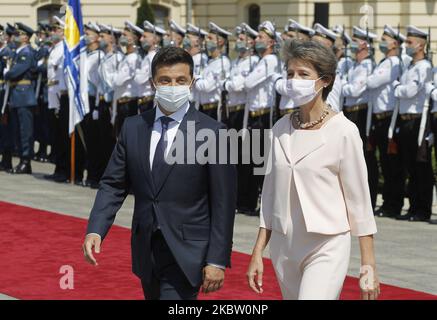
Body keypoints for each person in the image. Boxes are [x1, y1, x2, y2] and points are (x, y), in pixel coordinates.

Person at [83, 47, 237, 300]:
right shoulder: (133, 127)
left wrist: (217, 260)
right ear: (153, 83)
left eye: (181, 81)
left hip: (188, 252)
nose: (172, 86)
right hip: (146, 251)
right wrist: (95, 229)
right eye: (165, 80)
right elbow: (113, 184)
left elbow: (223, 203)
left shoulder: (214, 133)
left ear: (192, 83)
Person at [247, 40, 379, 300]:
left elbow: (360, 202)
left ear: (325, 81)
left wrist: (368, 265)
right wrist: (257, 251)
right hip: (285, 247)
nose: (294, 81)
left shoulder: (344, 131)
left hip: (327, 245)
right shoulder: (280, 128)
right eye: (290, 74)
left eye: (303, 74)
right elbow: (270, 196)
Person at [393, 25, 434, 222]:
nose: (406, 45)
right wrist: (401, 88)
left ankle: (422, 209)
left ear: (420, 45)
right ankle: (413, 207)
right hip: (406, 120)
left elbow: (409, 92)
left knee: (421, 167)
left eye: (409, 42)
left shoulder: (425, 67)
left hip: (418, 121)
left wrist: (397, 87)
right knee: (410, 166)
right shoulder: (409, 66)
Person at [367, 25, 406, 218]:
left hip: (389, 117)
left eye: (385, 39)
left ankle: (393, 204)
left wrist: (370, 77)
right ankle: (389, 203)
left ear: (395, 43)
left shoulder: (394, 63)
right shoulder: (384, 62)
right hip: (379, 117)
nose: (381, 42)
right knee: (385, 162)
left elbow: (372, 83)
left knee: (392, 165)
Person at [4, 22, 37, 174]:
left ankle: (26, 161)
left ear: (26, 38)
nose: (16, 37)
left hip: (24, 95)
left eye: (19, 34)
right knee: (18, 130)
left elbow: (14, 72)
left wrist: (7, 73)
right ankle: (22, 160)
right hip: (17, 95)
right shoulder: (19, 52)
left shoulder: (27, 53)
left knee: (25, 131)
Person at [195, 21, 231, 121]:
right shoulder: (209, 61)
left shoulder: (222, 62)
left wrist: (195, 77)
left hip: (213, 110)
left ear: (220, 42)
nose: (206, 40)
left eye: (210, 38)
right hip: (202, 107)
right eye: (207, 38)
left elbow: (206, 87)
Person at [112, 21, 142, 137]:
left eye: (125, 35)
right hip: (122, 103)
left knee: (127, 139)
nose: (122, 37)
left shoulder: (133, 59)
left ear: (133, 39)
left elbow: (117, 82)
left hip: (128, 104)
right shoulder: (127, 57)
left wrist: (114, 75)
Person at [135, 20, 165, 113]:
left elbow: (139, 79)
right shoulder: (149, 56)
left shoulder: (153, 57)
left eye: (145, 36)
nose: (141, 39)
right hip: (145, 101)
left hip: (148, 101)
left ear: (155, 39)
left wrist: (136, 72)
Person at [183, 23, 208, 109]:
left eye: (188, 37)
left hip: (193, 103)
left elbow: (196, 81)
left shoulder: (200, 59)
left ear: (197, 41)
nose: (185, 39)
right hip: (183, 102)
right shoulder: (187, 57)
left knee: (191, 123)